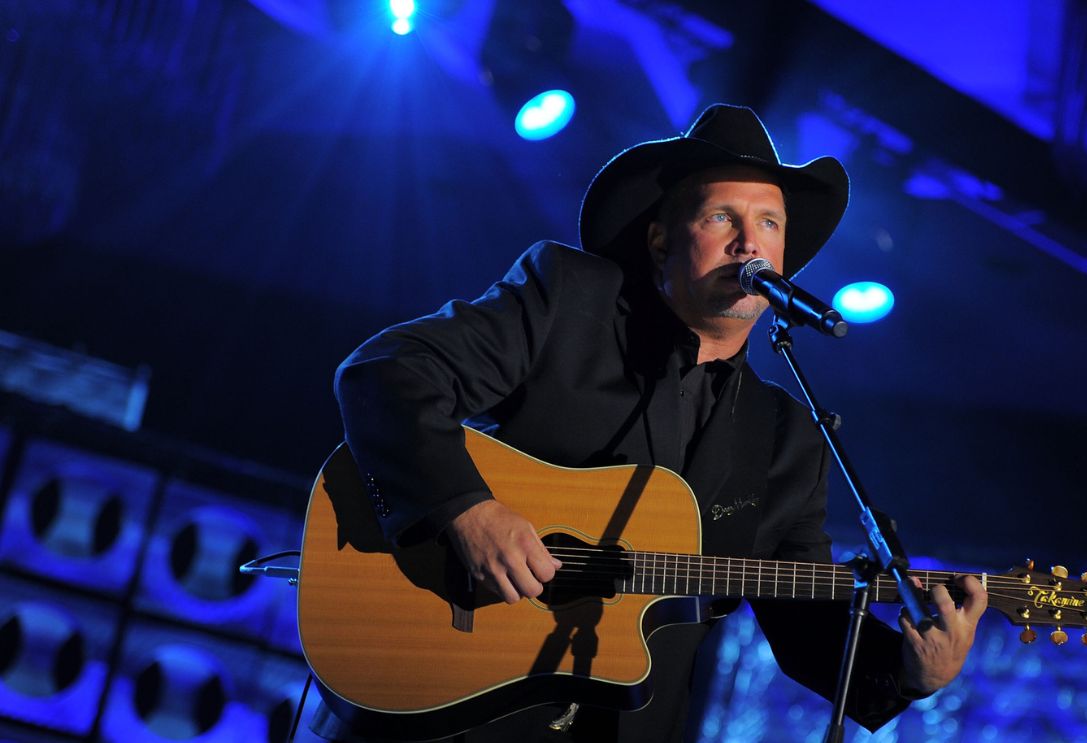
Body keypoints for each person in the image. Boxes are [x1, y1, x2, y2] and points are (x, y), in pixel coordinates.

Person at [308, 104, 986, 742]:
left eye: (769, 223)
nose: (749, 239)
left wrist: (907, 669)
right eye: (723, 216)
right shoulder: (567, 301)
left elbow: (808, 624)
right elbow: (388, 372)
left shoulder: (786, 438)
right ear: (660, 239)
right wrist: (463, 507)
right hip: (442, 708)